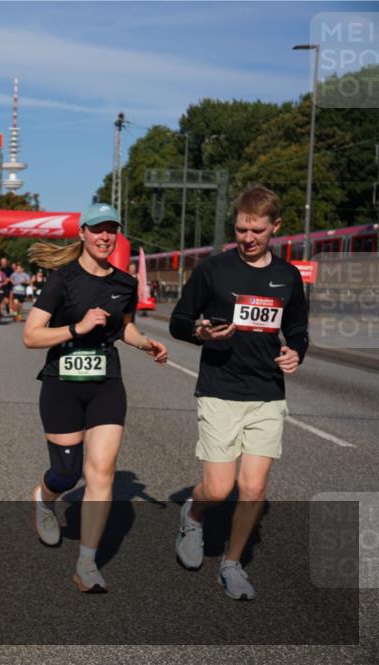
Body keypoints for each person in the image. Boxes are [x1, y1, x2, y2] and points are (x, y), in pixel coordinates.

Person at [169, 185, 308, 601]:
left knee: (253, 490)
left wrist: (295, 352)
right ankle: (193, 516)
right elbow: (179, 320)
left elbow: (298, 327)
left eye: (257, 231)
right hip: (220, 388)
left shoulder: (287, 276)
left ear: (276, 228)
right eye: (241, 229)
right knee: (217, 489)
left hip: (266, 392)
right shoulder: (213, 270)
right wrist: (199, 331)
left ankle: (232, 564)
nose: (248, 238)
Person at [23, 202, 167, 593]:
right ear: (83, 233)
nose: (105, 236)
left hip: (106, 383)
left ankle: (86, 564)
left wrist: (144, 344)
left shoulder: (123, 283)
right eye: (97, 229)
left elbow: (124, 329)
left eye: (111, 230)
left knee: (100, 472)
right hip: (61, 384)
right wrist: (77, 326)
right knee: (67, 474)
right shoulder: (61, 280)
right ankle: (45, 498)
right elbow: (31, 335)